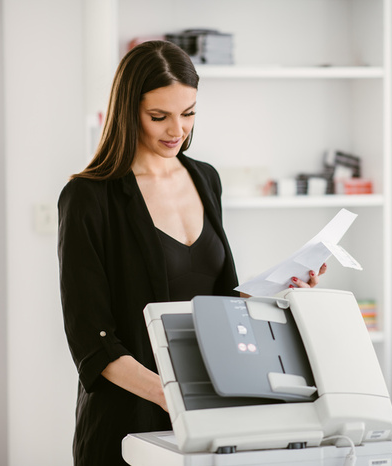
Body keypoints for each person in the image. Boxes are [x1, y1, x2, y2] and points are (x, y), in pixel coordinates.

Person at [57, 40, 326, 466]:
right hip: (129, 419)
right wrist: (173, 396)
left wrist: (281, 289)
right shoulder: (88, 197)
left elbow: (218, 304)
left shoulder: (205, 179)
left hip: (208, 416)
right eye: (159, 117)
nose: (177, 130)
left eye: (189, 113)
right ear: (128, 112)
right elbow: (92, 343)